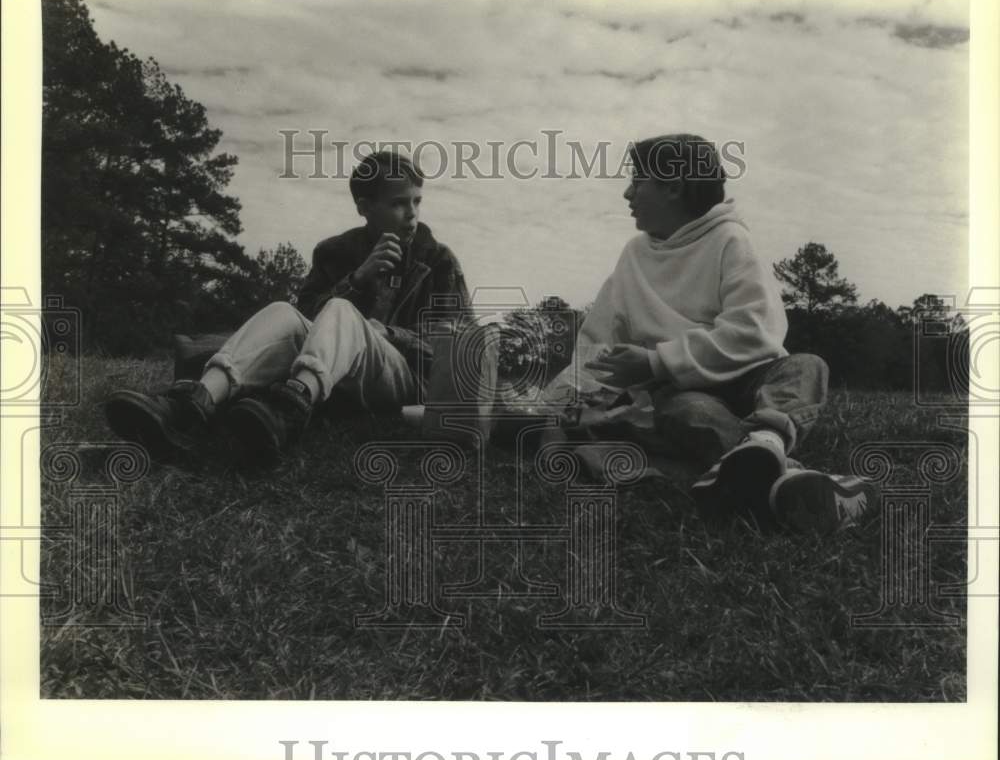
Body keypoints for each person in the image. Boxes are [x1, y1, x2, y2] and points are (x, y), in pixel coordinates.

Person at [542, 134, 868, 535]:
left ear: (674, 187)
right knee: (689, 410)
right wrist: (554, 405)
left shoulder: (731, 240)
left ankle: (763, 443)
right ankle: (787, 480)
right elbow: (597, 343)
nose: (628, 194)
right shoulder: (634, 256)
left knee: (805, 367)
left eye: (638, 182)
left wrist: (655, 360)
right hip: (683, 392)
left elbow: (756, 332)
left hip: (750, 381)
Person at [105, 150, 470, 465]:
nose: (412, 214)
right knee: (282, 310)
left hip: (399, 379)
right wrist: (357, 279)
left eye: (417, 201)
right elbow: (307, 321)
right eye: (398, 203)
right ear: (365, 208)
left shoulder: (436, 261)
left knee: (343, 312)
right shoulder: (334, 253)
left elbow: (459, 348)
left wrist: (388, 333)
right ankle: (193, 404)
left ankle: (289, 412)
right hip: (333, 379)